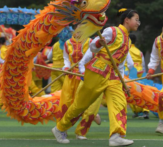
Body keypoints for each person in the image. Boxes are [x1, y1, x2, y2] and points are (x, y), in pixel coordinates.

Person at [53, 8, 140, 146]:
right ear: (127, 20)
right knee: (81, 105)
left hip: (113, 76)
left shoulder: (128, 41)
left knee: (120, 102)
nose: (138, 23)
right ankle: (60, 128)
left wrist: (122, 80)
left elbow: (121, 63)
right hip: (98, 71)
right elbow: (93, 47)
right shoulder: (112, 31)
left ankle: (116, 135)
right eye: (137, 19)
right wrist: (99, 43)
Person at [126, 34, 149, 119]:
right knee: (142, 92)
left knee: (130, 92)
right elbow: (143, 64)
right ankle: (145, 111)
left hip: (130, 73)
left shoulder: (125, 50)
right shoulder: (139, 52)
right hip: (140, 73)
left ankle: (137, 111)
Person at [47, 26, 73, 93]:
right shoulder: (69, 45)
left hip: (54, 68)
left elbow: (48, 57)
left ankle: (54, 102)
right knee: (67, 89)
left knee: (55, 89)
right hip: (64, 69)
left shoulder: (55, 45)